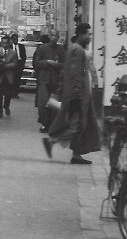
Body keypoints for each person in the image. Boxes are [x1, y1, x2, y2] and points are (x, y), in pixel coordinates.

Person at [42, 23, 101, 165]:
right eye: (88, 34)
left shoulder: (71, 49)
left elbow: (64, 72)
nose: (90, 37)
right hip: (78, 96)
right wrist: (77, 97)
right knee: (77, 125)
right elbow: (75, 75)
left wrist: (61, 90)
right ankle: (52, 142)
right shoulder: (78, 50)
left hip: (75, 94)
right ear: (81, 34)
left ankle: (76, 155)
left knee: (78, 124)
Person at [33, 29, 65, 132]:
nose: (54, 37)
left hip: (56, 80)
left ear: (58, 37)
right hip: (44, 80)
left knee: (54, 104)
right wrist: (47, 62)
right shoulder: (42, 48)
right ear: (49, 36)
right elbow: (36, 63)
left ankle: (52, 125)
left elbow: (65, 64)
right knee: (43, 103)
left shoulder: (61, 49)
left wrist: (58, 64)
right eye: (52, 35)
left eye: (56, 36)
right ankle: (44, 123)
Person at [0, 35, 18, 118]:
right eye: (3, 43)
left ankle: (6, 106)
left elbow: (15, 63)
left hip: (8, 76)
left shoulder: (13, 52)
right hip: (0, 76)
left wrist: (5, 66)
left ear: (9, 43)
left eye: (6, 43)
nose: (4, 45)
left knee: (8, 94)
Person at [10, 33, 27, 98]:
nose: (16, 40)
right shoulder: (10, 47)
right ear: (12, 40)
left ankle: (16, 93)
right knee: (12, 79)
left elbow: (24, 56)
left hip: (19, 64)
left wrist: (22, 65)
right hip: (12, 64)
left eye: (16, 39)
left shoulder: (21, 46)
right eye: (14, 39)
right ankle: (11, 92)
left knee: (17, 79)